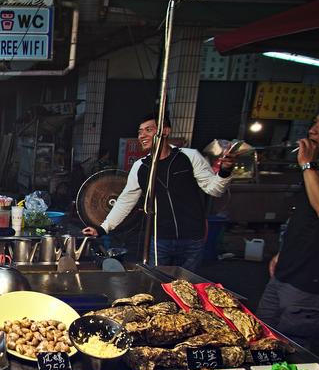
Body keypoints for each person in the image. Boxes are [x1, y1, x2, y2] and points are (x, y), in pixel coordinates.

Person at [82, 113, 235, 271]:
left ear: (165, 131)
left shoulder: (189, 157)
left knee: (187, 286)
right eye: (140, 132)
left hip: (193, 238)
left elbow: (214, 189)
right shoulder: (140, 167)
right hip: (159, 239)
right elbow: (125, 201)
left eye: (148, 130)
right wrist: (103, 228)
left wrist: (225, 171)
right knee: (158, 283)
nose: (142, 135)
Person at [256, 114, 319, 351]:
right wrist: (284, 252)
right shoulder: (315, 170)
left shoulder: (311, 169)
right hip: (285, 271)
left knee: (292, 350)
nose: (312, 130)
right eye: (313, 123)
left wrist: (307, 165)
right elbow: (306, 222)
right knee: (259, 337)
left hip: (309, 282)